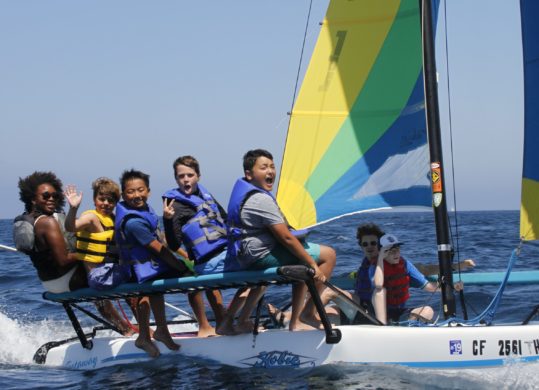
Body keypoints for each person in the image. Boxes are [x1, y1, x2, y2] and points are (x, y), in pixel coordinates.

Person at [223, 149, 336, 332]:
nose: (270, 171)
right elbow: (285, 238)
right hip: (259, 256)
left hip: (246, 256)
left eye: (272, 167)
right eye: (264, 167)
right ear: (249, 174)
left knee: (297, 259)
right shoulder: (260, 199)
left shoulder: (246, 195)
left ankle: (239, 321)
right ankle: (302, 317)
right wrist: (311, 263)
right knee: (326, 255)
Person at [115, 169, 190, 357]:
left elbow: (161, 239)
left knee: (156, 289)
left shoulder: (146, 210)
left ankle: (161, 331)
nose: (136, 195)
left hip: (150, 266)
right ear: (123, 194)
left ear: (148, 191)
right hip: (136, 270)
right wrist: (183, 268)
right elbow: (157, 248)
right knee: (193, 279)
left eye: (140, 190)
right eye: (130, 192)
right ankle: (144, 337)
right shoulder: (133, 222)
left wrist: (185, 256)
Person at [162, 155, 228, 337]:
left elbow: (226, 219)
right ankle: (208, 325)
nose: (185, 179)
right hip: (201, 259)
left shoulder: (205, 196)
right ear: (176, 179)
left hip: (224, 253)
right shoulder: (175, 204)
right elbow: (174, 244)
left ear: (198, 176)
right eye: (181, 176)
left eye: (189, 175)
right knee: (198, 282)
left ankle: (225, 320)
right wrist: (167, 220)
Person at [64, 178, 135, 336]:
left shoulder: (114, 219)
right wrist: (73, 208)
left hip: (113, 271)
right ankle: (129, 330)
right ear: (94, 199)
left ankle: (137, 329)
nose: (106, 203)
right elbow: (70, 227)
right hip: (98, 276)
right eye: (101, 199)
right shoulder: (91, 218)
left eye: (111, 200)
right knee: (106, 300)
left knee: (135, 286)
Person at [16, 171, 87, 293]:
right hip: (67, 280)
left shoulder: (32, 220)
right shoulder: (47, 222)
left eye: (55, 196)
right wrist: (91, 253)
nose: (51, 199)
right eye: (46, 196)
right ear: (33, 199)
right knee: (118, 273)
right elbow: (63, 260)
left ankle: (112, 312)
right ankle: (131, 308)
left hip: (50, 283)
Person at [372, 233, 464, 324]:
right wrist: (380, 258)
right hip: (375, 315)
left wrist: (452, 286)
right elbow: (378, 284)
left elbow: (430, 287)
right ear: (382, 252)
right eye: (390, 251)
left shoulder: (405, 265)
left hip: (398, 312)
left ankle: (407, 328)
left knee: (428, 311)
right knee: (379, 291)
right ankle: (382, 328)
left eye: (397, 249)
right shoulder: (375, 267)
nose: (396, 253)